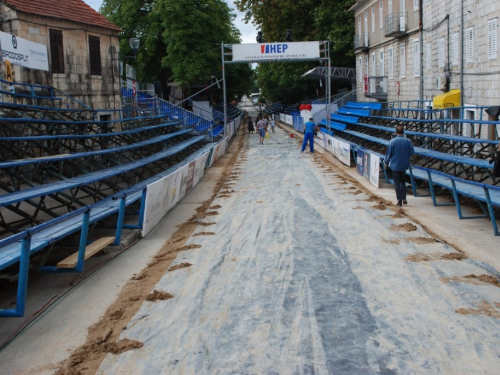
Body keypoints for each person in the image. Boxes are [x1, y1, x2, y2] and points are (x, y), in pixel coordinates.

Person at [385, 125, 415, 206]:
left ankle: (399, 201)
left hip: (395, 165)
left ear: (396, 132)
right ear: (403, 132)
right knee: (403, 182)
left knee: (397, 183)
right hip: (404, 164)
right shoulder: (408, 141)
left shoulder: (392, 141)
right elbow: (412, 151)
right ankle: (404, 197)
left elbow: (389, 154)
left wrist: (386, 163)